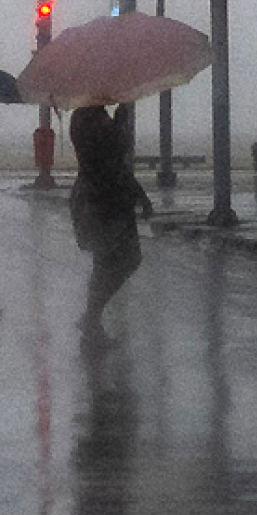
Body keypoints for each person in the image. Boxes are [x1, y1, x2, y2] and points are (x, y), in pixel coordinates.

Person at [67, 104, 153, 346]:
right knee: (120, 260)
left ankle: (91, 320)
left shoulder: (93, 116)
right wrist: (120, 123)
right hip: (103, 203)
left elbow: (118, 163)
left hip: (107, 201)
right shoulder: (90, 120)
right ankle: (92, 320)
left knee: (108, 263)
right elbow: (110, 159)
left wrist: (141, 196)